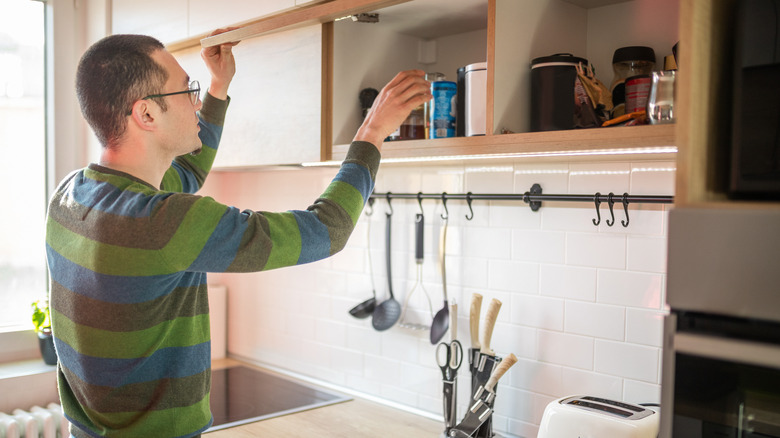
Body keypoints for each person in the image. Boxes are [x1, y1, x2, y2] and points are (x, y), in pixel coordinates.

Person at [45, 27, 431, 438]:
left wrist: (218, 86)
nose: (194, 100)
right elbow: (326, 230)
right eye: (185, 91)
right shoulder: (164, 223)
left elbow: (187, 172)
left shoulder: (73, 194)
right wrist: (371, 133)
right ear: (146, 114)